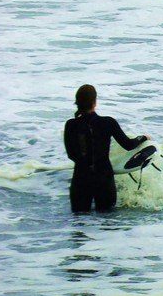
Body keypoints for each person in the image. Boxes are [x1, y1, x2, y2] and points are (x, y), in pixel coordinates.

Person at [63, 84, 147, 212]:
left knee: (79, 221)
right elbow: (128, 145)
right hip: (103, 179)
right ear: (95, 102)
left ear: (77, 102)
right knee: (107, 220)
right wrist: (143, 138)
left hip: (81, 180)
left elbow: (71, 155)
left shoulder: (70, 125)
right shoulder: (108, 122)